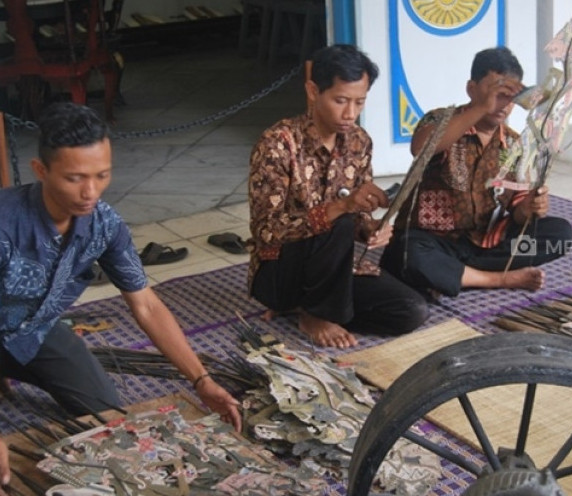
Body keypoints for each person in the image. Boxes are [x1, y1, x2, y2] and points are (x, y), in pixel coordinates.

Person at [0, 102, 241, 431]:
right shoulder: (5, 226)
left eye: (102, 175)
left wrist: (202, 381)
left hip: (35, 332)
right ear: (41, 170)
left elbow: (147, 307)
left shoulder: (105, 224)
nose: (91, 192)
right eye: (75, 178)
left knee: (107, 415)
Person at [248, 44, 429, 349]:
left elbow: (357, 217)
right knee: (339, 221)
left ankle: (321, 309)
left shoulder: (359, 142)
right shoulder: (277, 143)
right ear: (312, 91)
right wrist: (341, 208)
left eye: (360, 102)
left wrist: (370, 227)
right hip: (280, 271)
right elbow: (268, 231)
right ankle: (315, 314)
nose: (350, 114)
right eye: (340, 100)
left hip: (334, 272)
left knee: (411, 311)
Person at [381, 47, 572, 297]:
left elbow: (516, 211)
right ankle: (496, 279)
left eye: (509, 96)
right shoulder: (442, 119)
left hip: (484, 245)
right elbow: (422, 148)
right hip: (432, 242)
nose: (501, 104)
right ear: (472, 89)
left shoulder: (515, 145)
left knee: (558, 234)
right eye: (495, 93)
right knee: (409, 255)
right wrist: (481, 108)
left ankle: (459, 275)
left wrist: (528, 209)